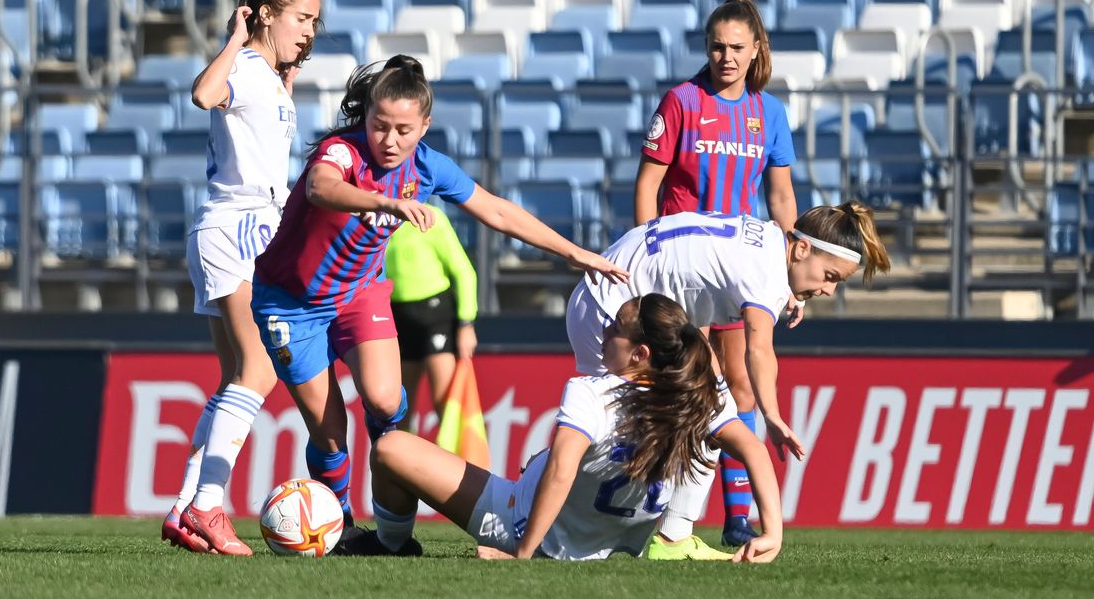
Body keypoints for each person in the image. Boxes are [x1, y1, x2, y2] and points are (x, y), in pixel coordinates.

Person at [249, 55, 629, 555]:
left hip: (359, 293)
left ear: (424, 125)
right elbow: (322, 188)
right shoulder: (342, 152)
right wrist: (384, 202)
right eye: (379, 125)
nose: (389, 140)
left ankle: (392, 509)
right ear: (366, 118)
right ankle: (337, 525)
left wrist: (575, 252)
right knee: (331, 431)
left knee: (386, 402)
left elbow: (495, 209)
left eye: (403, 129)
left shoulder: (427, 165)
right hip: (290, 302)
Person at [344, 293, 783, 562]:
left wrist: (521, 551)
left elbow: (561, 471)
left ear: (639, 354)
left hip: (518, 518)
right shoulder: (699, 398)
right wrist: (772, 535)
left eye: (615, 328)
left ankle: (392, 544)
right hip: (605, 542)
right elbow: (756, 451)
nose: (605, 331)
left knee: (391, 447)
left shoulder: (592, 392)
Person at [566, 202, 890, 559]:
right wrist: (773, 416)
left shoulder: (769, 244)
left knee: (714, 407)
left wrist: (792, 293)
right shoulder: (767, 272)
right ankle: (560, 523)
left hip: (619, 298)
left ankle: (673, 538)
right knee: (612, 430)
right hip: (613, 312)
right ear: (801, 248)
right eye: (830, 277)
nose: (829, 291)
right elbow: (759, 349)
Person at [162, 0, 321, 556]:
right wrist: (235, 39)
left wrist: (287, 75)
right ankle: (208, 505)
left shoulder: (271, 77)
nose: (309, 29)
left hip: (233, 229)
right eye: (301, 17)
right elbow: (205, 93)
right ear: (268, 16)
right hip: (237, 229)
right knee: (257, 372)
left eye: (315, 20)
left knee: (235, 376)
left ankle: (184, 507)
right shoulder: (246, 68)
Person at [633, 0, 800, 547]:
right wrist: (648, 258)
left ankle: (736, 517)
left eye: (736, 48)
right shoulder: (682, 101)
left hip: (739, 266)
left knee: (743, 386)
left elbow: (780, 197)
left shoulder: (769, 113)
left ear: (756, 50)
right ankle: (655, 512)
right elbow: (648, 187)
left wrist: (787, 273)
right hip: (683, 271)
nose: (725, 57)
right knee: (686, 387)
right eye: (716, 46)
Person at [385, 203, 479, 430]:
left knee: (445, 402)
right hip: (398, 318)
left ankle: (453, 463)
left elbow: (464, 271)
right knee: (397, 408)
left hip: (435, 316)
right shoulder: (379, 220)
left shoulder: (431, 217)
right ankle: (404, 464)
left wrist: (466, 323)